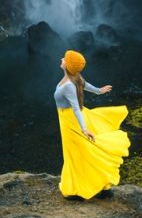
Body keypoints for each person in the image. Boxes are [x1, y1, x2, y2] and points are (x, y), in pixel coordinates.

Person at [54, 49, 130, 199]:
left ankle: (80, 189)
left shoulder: (69, 84)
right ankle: (101, 186)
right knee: (80, 152)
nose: (62, 59)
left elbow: (76, 107)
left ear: (68, 66)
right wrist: (98, 91)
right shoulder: (74, 77)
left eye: (65, 59)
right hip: (68, 118)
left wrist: (84, 129)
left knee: (77, 153)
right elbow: (84, 84)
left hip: (70, 122)